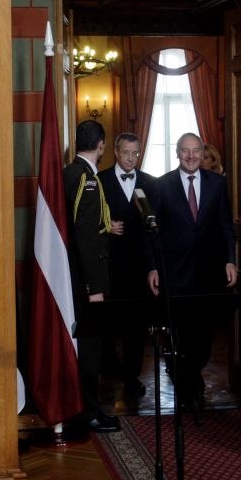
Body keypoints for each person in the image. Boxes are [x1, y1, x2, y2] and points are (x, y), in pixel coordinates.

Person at [147, 132, 237, 425]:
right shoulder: (162, 185)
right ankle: (191, 389)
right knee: (180, 333)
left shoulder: (217, 183)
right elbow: (151, 233)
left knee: (204, 336)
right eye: (185, 151)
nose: (191, 156)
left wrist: (230, 259)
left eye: (195, 150)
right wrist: (152, 267)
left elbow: (225, 225)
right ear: (178, 153)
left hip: (208, 272)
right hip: (174, 273)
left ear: (202, 152)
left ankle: (189, 376)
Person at [63, 120, 121, 433]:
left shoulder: (69, 173)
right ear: (101, 145)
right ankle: (89, 412)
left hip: (72, 278)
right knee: (89, 350)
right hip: (86, 282)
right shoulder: (86, 179)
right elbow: (85, 237)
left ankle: (84, 408)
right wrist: (94, 287)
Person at [97, 132, 156, 398]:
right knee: (108, 323)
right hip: (109, 265)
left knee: (137, 326)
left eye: (135, 153)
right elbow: (85, 221)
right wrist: (105, 225)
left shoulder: (150, 183)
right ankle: (107, 375)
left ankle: (132, 377)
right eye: (126, 153)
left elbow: (157, 223)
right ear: (116, 153)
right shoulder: (100, 181)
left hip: (140, 267)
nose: (131, 158)